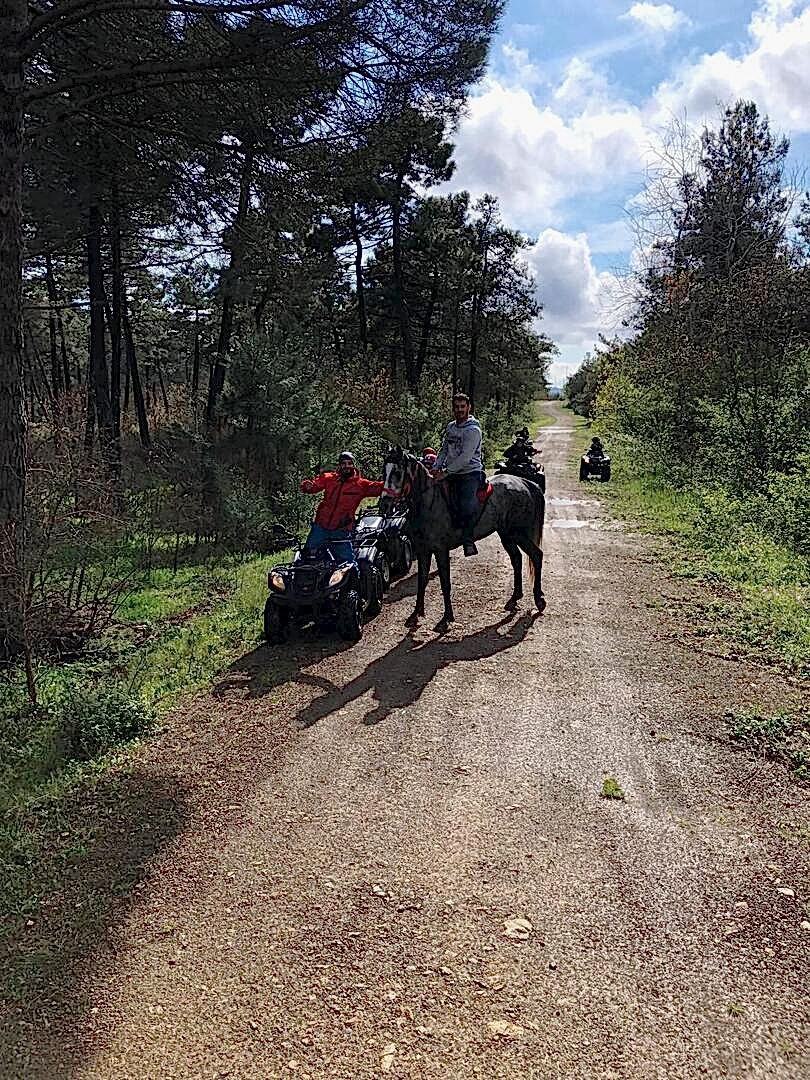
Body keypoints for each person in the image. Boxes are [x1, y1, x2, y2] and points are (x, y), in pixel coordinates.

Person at [300, 452, 384, 562]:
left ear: (354, 465)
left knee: (347, 563)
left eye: (349, 463)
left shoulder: (361, 485)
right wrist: (307, 486)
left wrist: (393, 479)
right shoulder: (328, 478)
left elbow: (380, 488)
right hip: (320, 527)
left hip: (341, 530)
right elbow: (314, 486)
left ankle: (356, 578)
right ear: (339, 465)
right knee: (308, 557)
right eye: (344, 463)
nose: (347, 466)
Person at [431, 393, 484, 557]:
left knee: (466, 504)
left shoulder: (473, 430)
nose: (459, 410)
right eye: (456, 407)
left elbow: (465, 458)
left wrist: (445, 473)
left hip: (470, 472)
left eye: (463, 406)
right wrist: (435, 467)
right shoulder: (451, 427)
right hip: (451, 472)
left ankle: (468, 539)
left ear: (469, 407)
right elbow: (444, 450)